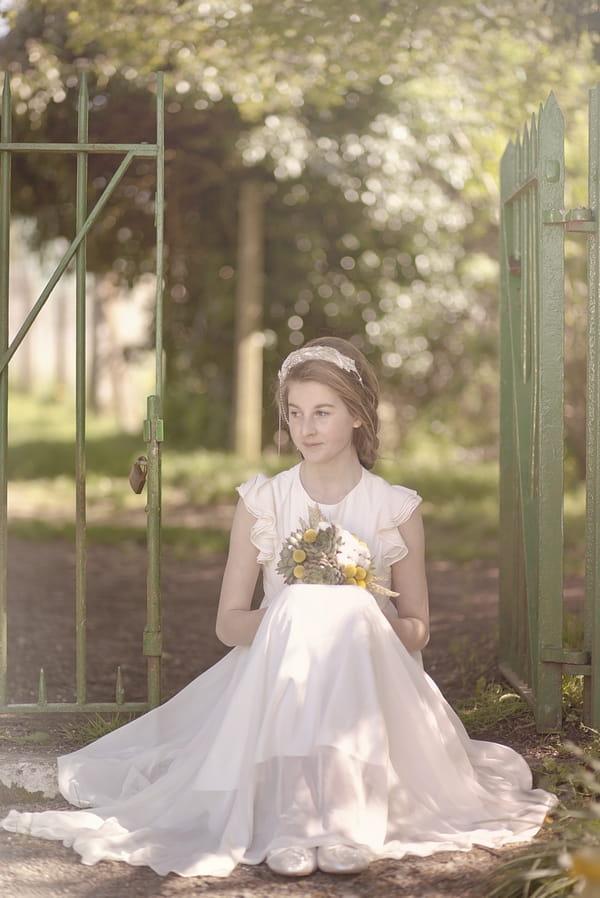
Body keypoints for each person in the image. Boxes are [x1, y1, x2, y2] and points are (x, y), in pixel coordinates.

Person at [1, 336, 556, 878]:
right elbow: (228, 624)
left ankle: (343, 815)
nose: (306, 429)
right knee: (306, 602)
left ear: (358, 416)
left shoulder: (395, 507)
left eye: (322, 412)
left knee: (340, 606)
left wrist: (359, 608)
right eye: (295, 414)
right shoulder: (263, 501)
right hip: (276, 677)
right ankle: (295, 813)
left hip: (373, 683)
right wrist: (300, 613)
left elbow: (417, 631)